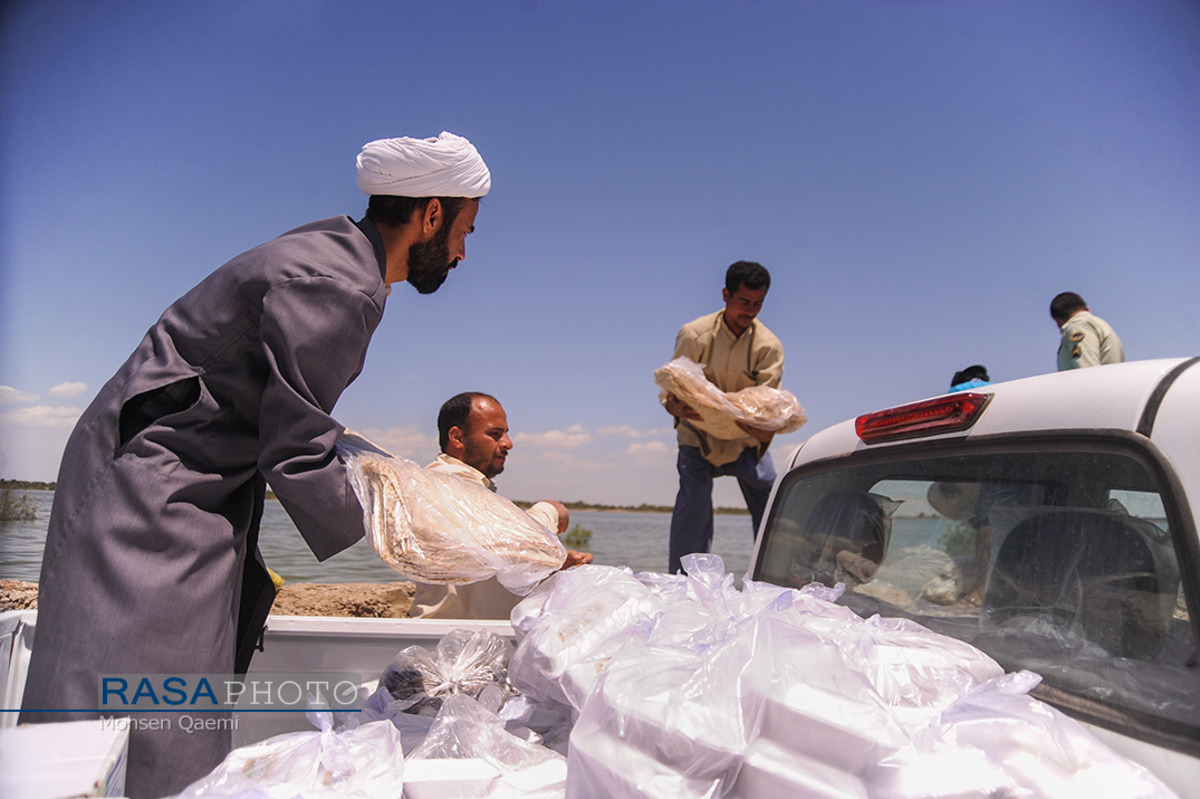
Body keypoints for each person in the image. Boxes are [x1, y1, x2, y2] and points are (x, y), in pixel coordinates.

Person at [20, 132, 490, 798]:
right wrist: (421, 526)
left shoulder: (336, 256)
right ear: (432, 215)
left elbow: (287, 418)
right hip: (154, 485)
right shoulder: (343, 284)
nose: (465, 251)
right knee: (137, 693)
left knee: (175, 693)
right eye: (466, 229)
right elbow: (295, 451)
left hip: (191, 479)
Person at [410, 392, 592, 619]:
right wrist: (551, 509)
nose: (508, 443)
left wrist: (553, 565)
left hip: (463, 638)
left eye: (506, 433)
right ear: (457, 437)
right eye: (495, 434)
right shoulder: (443, 482)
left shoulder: (465, 486)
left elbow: (491, 559)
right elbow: (514, 536)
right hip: (445, 640)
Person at [663, 261, 784, 575]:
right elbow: (673, 386)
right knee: (693, 504)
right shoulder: (695, 335)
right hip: (698, 437)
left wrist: (761, 424)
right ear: (725, 295)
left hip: (745, 440)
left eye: (758, 304)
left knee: (777, 499)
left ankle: (778, 577)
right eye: (744, 302)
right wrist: (673, 406)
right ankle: (685, 584)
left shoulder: (768, 346)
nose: (751, 311)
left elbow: (771, 403)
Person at [1050, 292, 1125, 370]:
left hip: (1097, 382)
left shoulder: (1078, 326)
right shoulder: (1098, 323)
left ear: (1057, 321)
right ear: (1087, 309)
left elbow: (1087, 370)